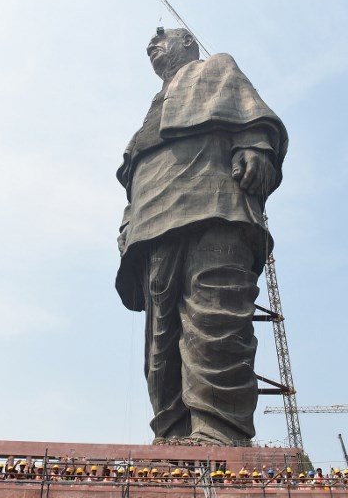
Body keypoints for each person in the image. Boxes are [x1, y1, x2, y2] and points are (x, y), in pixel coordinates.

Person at [115, 27, 287, 447]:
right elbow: (134, 171)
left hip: (214, 204)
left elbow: (252, 118)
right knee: (162, 336)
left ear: (188, 42)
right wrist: (127, 222)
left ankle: (219, 430)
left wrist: (255, 145)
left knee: (215, 314)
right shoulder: (152, 109)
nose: (153, 42)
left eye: (163, 38)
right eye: (149, 45)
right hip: (154, 217)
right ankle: (171, 432)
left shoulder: (216, 68)